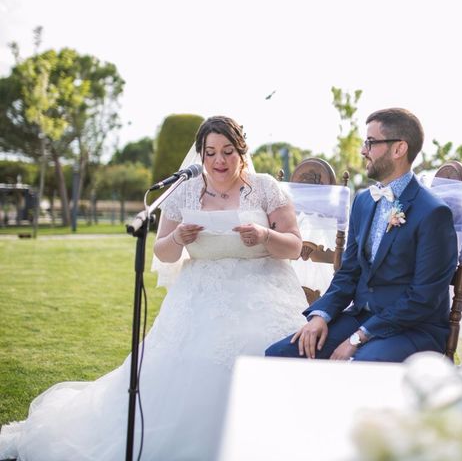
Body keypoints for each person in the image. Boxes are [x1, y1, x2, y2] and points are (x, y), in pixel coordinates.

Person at [0, 116, 308, 461]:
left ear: (241, 151)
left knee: (259, 345)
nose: (219, 161)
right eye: (210, 153)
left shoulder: (265, 187)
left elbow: (294, 245)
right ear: (200, 155)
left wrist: (265, 235)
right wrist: (178, 236)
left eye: (227, 152)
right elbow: (163, 250)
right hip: (201, 291)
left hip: (262, 287)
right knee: (187, 359)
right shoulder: (185, 189)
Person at [265, 108, 459, 362]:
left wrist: (359, 337)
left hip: (414, 329)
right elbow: (349, 272)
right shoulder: (364, 201)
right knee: (281, 354)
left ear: (399, 149)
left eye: (371, 142)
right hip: (360, 317)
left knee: (360, 366)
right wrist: (320, 315)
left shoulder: (433, 213)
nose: (363, 150)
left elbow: (423, 299)